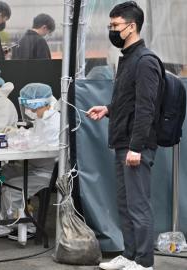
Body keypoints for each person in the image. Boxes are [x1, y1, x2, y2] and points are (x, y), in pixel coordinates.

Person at [87, 2, 162, 270]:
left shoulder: (145, 61)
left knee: (139, 206)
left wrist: (136, 147)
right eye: (110, 26)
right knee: (126, 204)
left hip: (135, 146)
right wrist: (107, 109)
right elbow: (128, 101)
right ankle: (130, 255)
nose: (112, 30)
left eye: (115, 26)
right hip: (123, 143)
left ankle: (144, 263)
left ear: (131, 27)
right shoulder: (129, 58)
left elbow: (146, 109)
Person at [0, 83, 60, 238]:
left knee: (12, 188)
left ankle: (26, 226)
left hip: (45, 174)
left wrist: (25, 143)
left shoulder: (55, 122)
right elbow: (34, 136)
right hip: (31, 167)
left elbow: (47, 149)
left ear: (41, 103)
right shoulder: (42, 118)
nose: (30, 111)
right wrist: (19, 135)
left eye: (32, 108)